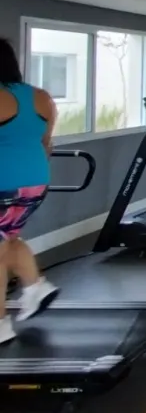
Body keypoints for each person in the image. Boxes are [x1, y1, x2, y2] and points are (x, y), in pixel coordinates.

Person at [0, 38, 60, 344]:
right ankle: (35, 286)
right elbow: (46, 143)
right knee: (8, 239)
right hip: (35, 181)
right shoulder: (41, 97)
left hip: (3, 181)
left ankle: (1, 326)